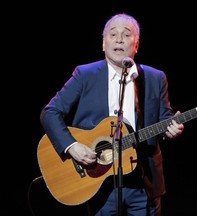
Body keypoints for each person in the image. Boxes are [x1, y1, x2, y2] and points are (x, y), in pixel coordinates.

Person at [40, 13, 184, 216]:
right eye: (112, 34)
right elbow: (50, 112)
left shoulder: (155, 77)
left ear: (136, 45)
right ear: (103, 43)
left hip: (144, 182)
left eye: (126, 35)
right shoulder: (85, 74)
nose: (119, 39)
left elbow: (164, 120)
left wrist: (171, 128)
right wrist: (72, 147)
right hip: (99, 181)